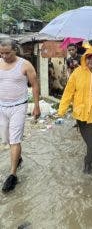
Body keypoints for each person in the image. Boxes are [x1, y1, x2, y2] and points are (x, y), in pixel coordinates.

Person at [0, 39, 40, 192]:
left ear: (15, 50)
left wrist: (36, 106)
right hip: (2, 106)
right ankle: (18, 158)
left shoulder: (25, 65)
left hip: (18, 106)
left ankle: (12, 175)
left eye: (7, 53)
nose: (4, 56)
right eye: (1, 53)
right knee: (6, 139)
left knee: (15, 139)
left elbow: (35, 85)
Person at [58, 48, 92, 174]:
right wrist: (62, 109)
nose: (91, 60)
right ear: (84, 58)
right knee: (89, 141)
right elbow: (68, 91)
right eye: (88, 57)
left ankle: (87, 162)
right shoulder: (77, 73)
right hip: (80, 113)